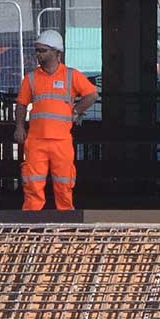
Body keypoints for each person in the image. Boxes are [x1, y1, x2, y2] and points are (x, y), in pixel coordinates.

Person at [14, 30, 98, 210]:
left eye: (42, 50)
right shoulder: (30, 78)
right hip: (36, 141)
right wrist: (19, 127)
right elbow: (21, 104)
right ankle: (32, 221)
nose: (38, 54)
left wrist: (76, 111)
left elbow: (92, 94)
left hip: (61, 141)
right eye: (37, 50)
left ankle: (65, 222)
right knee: (32, 185)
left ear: (56, 52)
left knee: (64, 185)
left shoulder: (71, 75)